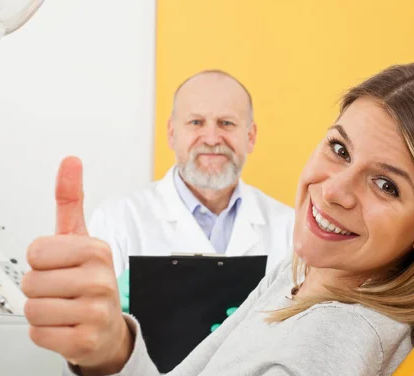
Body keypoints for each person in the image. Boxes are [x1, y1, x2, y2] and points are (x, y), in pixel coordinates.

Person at [21, 62, 414, 376]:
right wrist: (111, 351)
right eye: (339, 149)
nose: (334, 190)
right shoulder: (298, 276)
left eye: (385, 184)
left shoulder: (338, 334)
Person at [88, 70, 294, 286]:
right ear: (172, 133)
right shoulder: (116, 221)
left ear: (250, 137)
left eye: (227, 123)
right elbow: (90, 314)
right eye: (196, 122)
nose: (212, 139)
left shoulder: (289, 229)